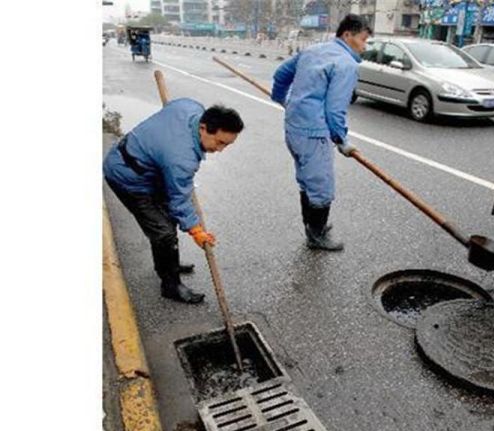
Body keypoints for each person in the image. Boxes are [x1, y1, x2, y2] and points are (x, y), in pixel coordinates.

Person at [103, 99, 244, 304]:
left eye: (227, 144)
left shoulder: (190, 107)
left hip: (148, 167)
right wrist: (196, 230)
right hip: (127, 176)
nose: (220, 149)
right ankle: (170, 285)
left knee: (168, 219)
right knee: (163, 231)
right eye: (219, 142)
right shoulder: (181, 158)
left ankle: (169, 263)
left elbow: (171, 108)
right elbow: (179, 199)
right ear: (203, 127)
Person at [271, 14, 372, 251]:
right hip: (314, 133)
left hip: (293, 128)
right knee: (321, 186)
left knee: (307, 180)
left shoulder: (312, 50)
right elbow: (335, 110)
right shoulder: (345, 64)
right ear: (347, 35)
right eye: (363, 39)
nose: (365, 46)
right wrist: (341, 139)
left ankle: (312, 225)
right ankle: (316, 236)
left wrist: (281, 99)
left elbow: (280, 75)